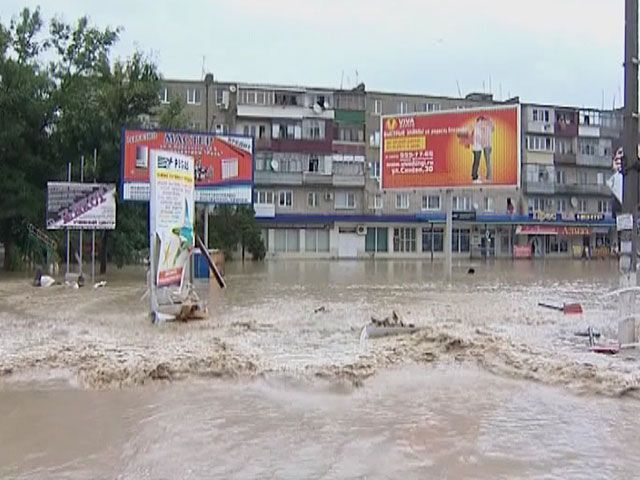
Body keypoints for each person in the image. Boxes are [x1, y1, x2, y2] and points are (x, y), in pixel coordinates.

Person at [470, 115, 494, 183]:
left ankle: (486, 176)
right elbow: (477, 137)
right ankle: (475, 176)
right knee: (478, 162)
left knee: (483, 162)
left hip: (483, 146)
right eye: (482, 120)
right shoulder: (478, 127)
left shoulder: (483, 126)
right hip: (478, 147)